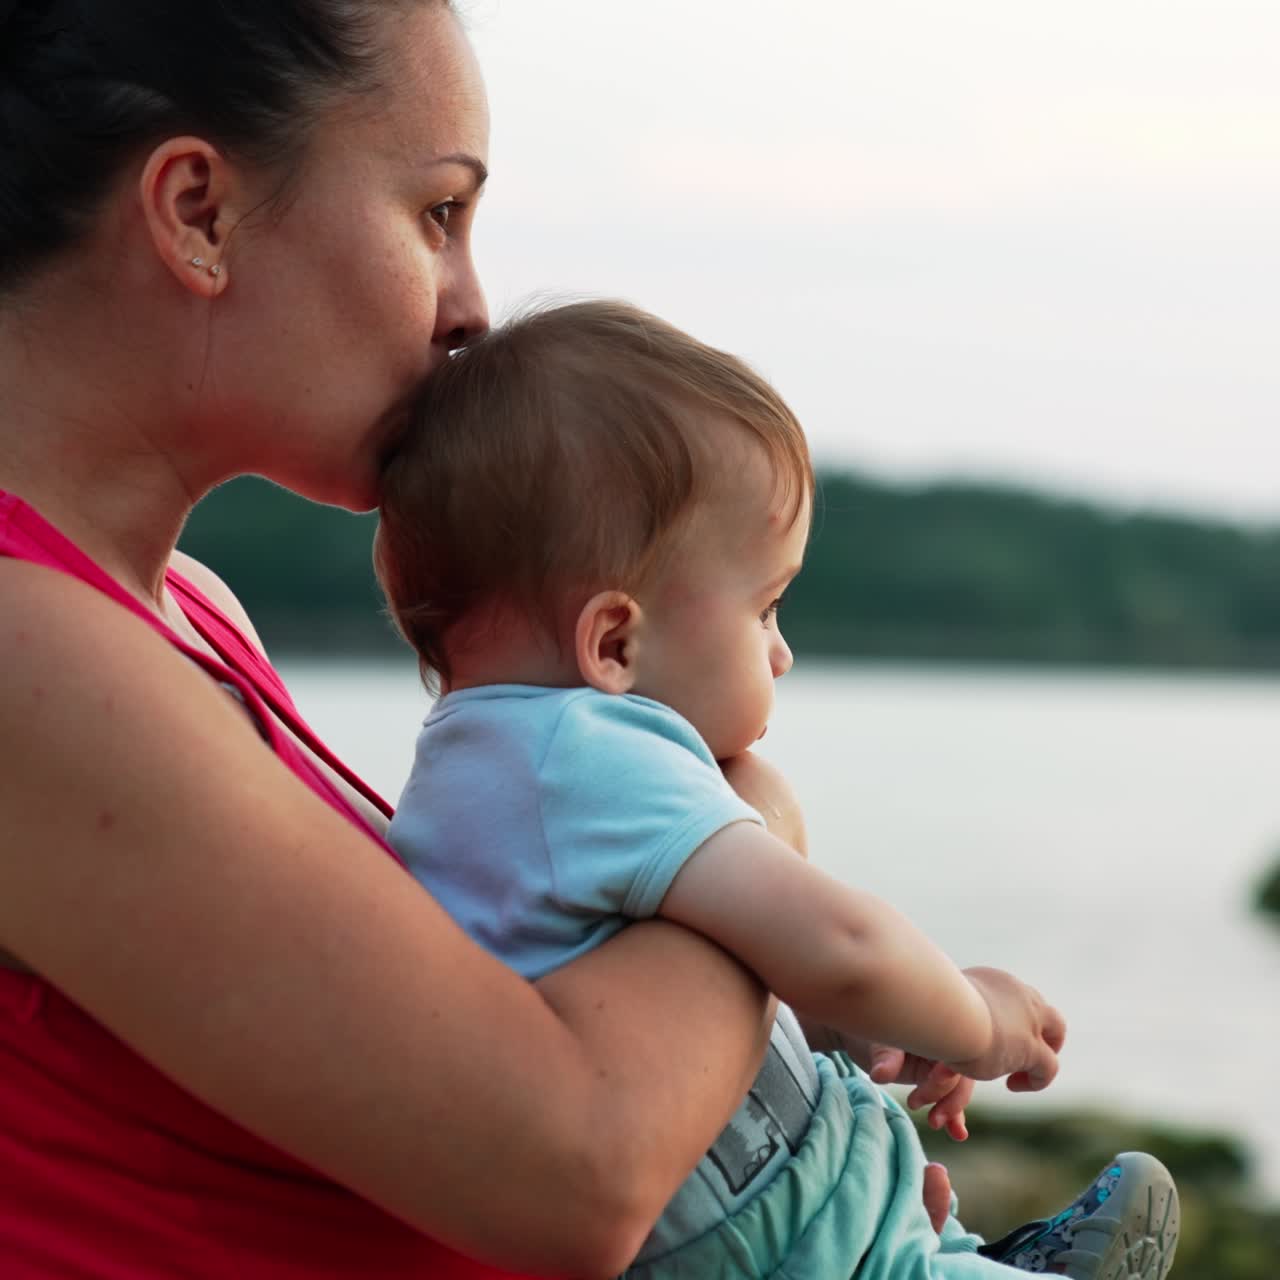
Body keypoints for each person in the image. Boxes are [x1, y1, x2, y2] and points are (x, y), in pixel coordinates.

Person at [0, 3, 830, 1275]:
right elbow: (580, 1164)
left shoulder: (185, 608)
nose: (470, 310)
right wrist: (751, 844)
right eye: (438, 215)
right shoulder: (25, 639)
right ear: (197, 213)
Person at [377, 299, 1182, 1279]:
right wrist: (972, 1015)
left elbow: (675, 975)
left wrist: (882, 1024)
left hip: (719, 1213)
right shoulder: (591, 750)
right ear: (614, 642)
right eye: (763, 607)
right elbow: (835, 944)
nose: (781, 652)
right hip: (774, 1226)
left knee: (887, 1183)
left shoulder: (469, 770)